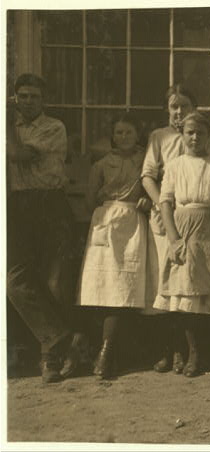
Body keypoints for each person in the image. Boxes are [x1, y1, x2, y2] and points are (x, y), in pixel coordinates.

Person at [6, 73, 85, 383]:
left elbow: (17, 155)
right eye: (22, 96)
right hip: (18, 206)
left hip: (50, 206)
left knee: (54, 283)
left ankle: (49, 358)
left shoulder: (53, 127)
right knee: (15, 282)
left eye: (33, 97)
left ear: (44, 100)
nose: (27, 102)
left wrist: (5, 123)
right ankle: (64, 339)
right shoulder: (13, 127)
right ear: (15, 98)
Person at [154, 112, 210, 378]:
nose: (195, 138)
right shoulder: (175, 165)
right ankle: (194, 354)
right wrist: (174, 239)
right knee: (188, 294)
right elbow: (166, 202)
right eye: (190, 132)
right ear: (182, 135)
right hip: (184, 229)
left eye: (200, 133)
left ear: (207, 137)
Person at [76, 113, 151, 379]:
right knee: (100, 289)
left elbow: (155, 185)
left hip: (132, 223)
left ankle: (109, 353)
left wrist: (146, 201)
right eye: (118, 133)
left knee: (124, 289)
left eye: (128, 132)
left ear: (137, 135)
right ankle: (101, 352)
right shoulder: (101, 164)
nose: (123, 138)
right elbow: (89, 201)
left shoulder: (145, 160)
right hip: (105, 223)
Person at [141, 84, 198, 373]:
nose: (179, 112)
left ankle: (186, 350)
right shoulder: (159, 138)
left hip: (191, 215)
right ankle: (166, 348)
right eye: (174, 106)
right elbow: (148, 176)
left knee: (186, 281)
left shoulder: (198, 136)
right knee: (162, 281)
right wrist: (160, 204)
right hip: (164, 216)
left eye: (184, 106)